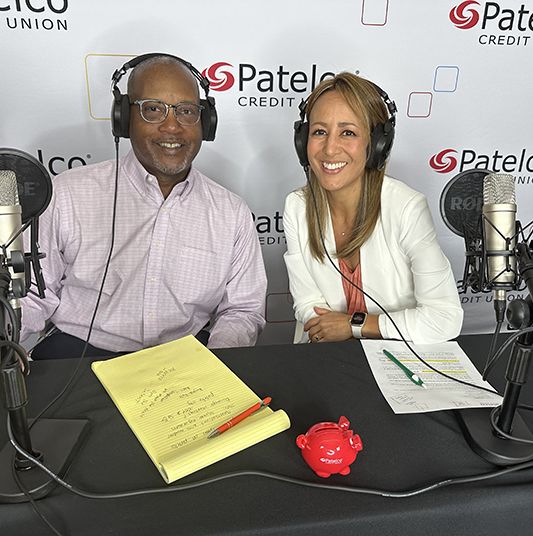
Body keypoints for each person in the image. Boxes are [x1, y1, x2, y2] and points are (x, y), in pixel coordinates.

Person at [21, 54, 267, 358]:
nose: (172, 127)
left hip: (185, 358)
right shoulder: (67, 193)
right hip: (78, 354)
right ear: (124, 118)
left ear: (205, 122)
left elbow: (242, 309)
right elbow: (32, 295)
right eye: (153, 110)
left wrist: (215, 364)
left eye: (187, 112)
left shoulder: (232, 213)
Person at [283, 72, 463, 344]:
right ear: (302, 141)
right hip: (326, 354)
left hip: (399, 359)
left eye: (348, 132)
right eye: (320, 132)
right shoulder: (297, 207)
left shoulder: (406, 208)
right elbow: (308, 303)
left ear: (378, 144)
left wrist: (355, 325)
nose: (330, 149)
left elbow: (444, 318)